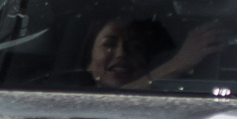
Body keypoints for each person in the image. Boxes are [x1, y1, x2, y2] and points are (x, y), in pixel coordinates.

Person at [85, 14, 226, 89]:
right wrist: (178, 63)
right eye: (109, 44)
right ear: (88, 60)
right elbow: (111, 102)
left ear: (147, 61)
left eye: (135, 46)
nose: (121, 53)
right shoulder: (67, 96)